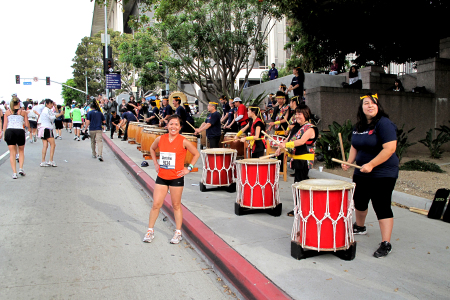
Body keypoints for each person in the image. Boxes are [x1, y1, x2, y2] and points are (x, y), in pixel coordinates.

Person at [341, 93, 399, 258]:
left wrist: (372, 164)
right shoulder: (358, 126)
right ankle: (360, 227)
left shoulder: (384, 124)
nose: (370, 106)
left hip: (383, 172)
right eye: (366, 103)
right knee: (359, 201)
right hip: (361, 171)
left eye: (373, 103)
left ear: (378, 106)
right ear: (361, 107)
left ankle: (386, 243)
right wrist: (349, 161)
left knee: (381, 205)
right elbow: (354, 146)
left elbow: (390, 149)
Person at [143, 114, 200, 244]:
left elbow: (196, 153)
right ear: (167, 125)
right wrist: (156, 164)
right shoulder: (160, 139)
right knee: (156, 204)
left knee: (176, 205)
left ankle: (178, 232)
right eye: (171, 124)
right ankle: (150, 230)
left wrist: (189, 168)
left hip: (176, 178)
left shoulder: (183, 140)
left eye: (176, 124)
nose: (173, 126)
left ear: (179, 127)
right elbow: (152, 149)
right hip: (162, 177)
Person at [276, 104, 318, 216]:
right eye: (296, 113)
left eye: (300, 113)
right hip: (296, 160)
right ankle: (300, 208)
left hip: (305, 160)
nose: (297, 116)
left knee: (301, 184)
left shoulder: (310, 128)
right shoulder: (295, 127)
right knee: (297, 184)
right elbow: (287, 140)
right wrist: (280, 149)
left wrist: (285, 145)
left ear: (306, 114)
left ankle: (302, 209)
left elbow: (301, 142)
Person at [3, 97, 29, 178]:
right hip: (19, 131)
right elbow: (27, 125)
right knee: (21, 151)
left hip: (10, 131)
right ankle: (21, 168)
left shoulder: (7, 112)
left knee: (12, 153)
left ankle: (14, 173)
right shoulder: (23, 112)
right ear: (19, 103)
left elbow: (5, 125)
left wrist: (4, 134)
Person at [38, 100, 64, 167]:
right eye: (50, 104)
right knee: (53, 145)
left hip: (43, 128)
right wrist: (60, 114)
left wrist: (56, 108)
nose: (51, 105)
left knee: (45, 145)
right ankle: (51, 160)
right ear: (47, 104)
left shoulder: (47, 110)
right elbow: (52, 117)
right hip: (47, 128)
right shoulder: (46, 110)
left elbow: (55, 114)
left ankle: (43, 161)